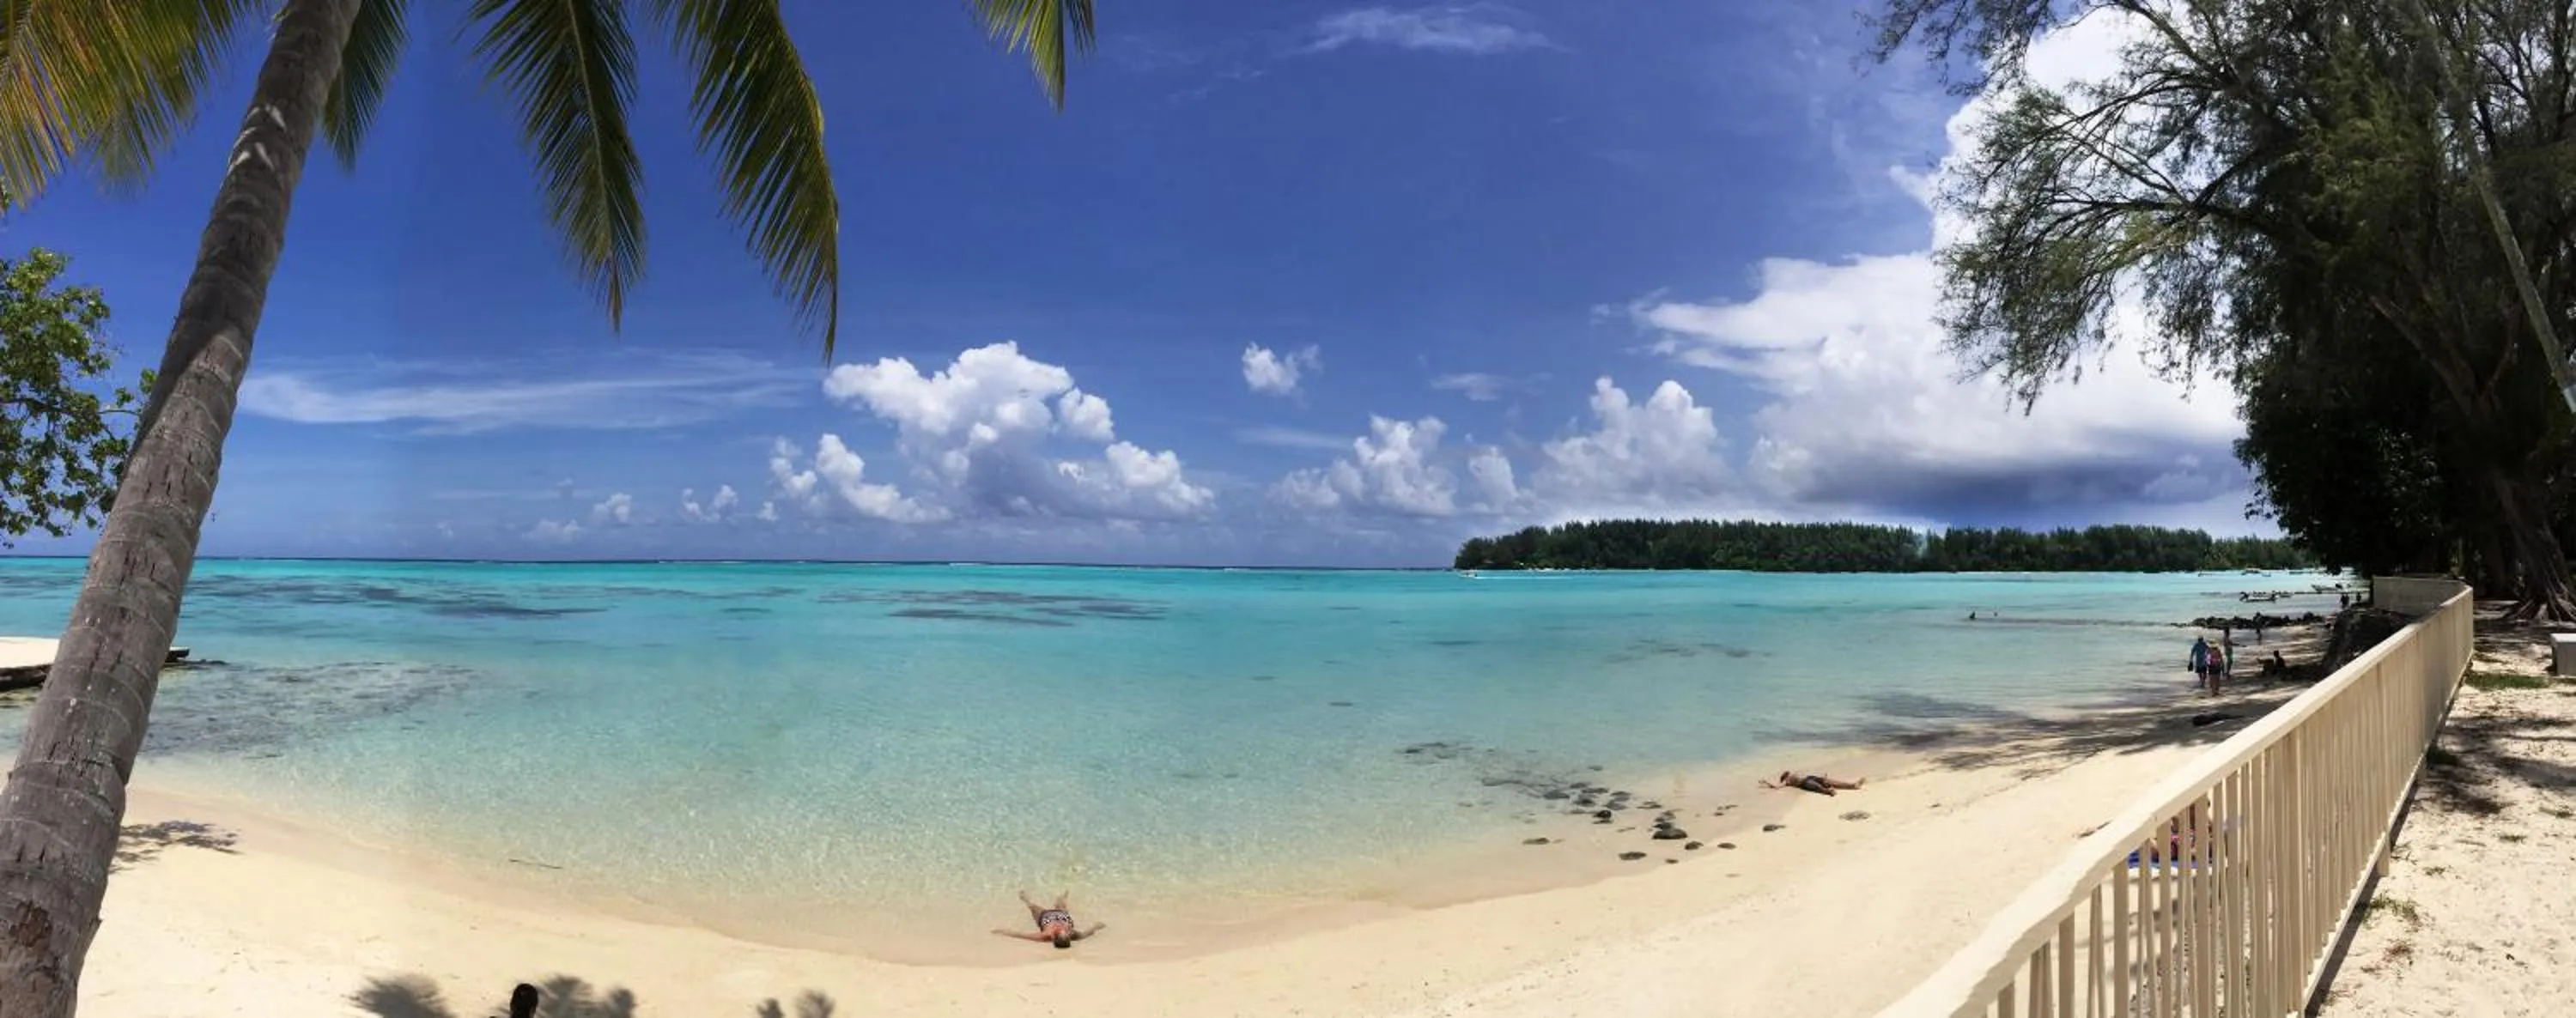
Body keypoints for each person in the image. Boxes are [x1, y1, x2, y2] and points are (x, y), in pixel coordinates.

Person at [994, 890, 1105, 949]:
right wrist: (1097, 926)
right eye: (1067, 932)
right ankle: (1066, 889)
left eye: (1062, 932)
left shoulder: (1045, 936)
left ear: (1053, 936)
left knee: (1032, 906)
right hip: (1062, 915)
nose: (1065, 930)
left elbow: (1021, 935)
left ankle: (1025, 898)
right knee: (1061, 901)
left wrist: (1003, 932)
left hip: (1044, 916)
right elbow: (1087, 933)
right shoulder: (1074, 935)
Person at [1761, 771, 1864, 796]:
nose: (1789, 773)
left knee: (1831, 781)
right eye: (1787, 773)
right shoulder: (1787, 781)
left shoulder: (1790, 777)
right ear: (1785, 776)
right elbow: (1777, 787)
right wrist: (1767, 783)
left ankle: (1853, 785)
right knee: (1818, 787)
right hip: (1805, 782)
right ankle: (1829, 791)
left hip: (1810, 777)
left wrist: (1824, 777)